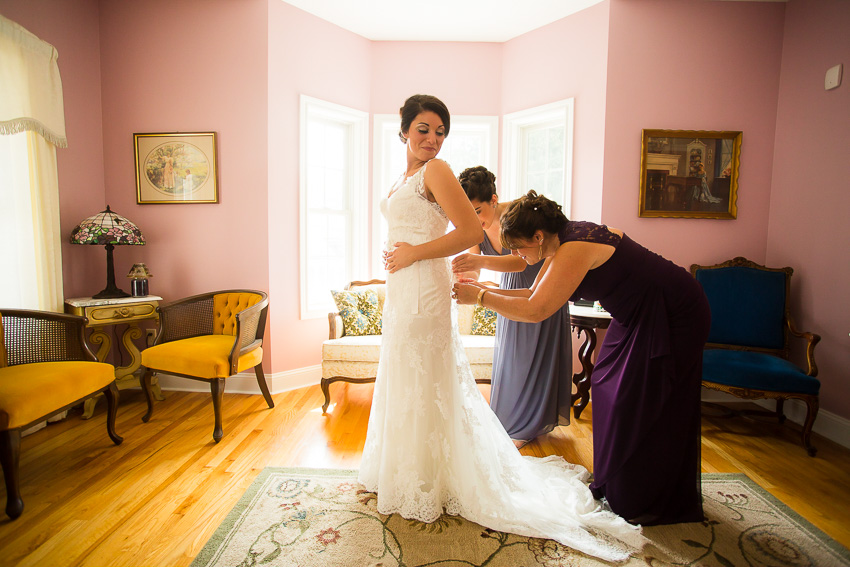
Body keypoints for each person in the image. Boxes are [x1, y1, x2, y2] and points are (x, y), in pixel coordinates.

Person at [358, 94, 642, 563]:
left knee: (427, 375)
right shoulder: (402, 178)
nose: (433, 138)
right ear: (403, 130)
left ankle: (434, 478)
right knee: (404, 374)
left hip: (425, 288)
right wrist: (395, 254)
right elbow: (414, 228)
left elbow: (469, 232)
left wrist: (412, 255)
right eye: (424, 129)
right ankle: (404, 470)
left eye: (440, 131)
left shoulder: (438, 171)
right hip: (403, 289)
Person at [453, 191, 711, 526]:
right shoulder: (561, 242)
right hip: (634, 316)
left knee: (641, 401)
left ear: (538, 236)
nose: (516, 255)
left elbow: (537, 310)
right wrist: (483, 292)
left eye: (518, 247)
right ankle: (618, 483)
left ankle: (647, 496)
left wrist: (482, 297)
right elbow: (533, 294)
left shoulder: (574, 247)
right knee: (606, 388)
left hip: (672, 313)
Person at [451, 166, 572, 449]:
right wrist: (469, 276)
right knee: (512, 355)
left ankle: (530, 423)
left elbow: (520, 261)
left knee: (534, 355)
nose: (474, 218)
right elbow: (476, 262)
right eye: (468, 213)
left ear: (494, 200)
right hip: (510, 289)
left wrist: (479, 264)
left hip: (536, 283)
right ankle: (510, 419)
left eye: (478, 210)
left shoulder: (516, 214)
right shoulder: (475, 225)